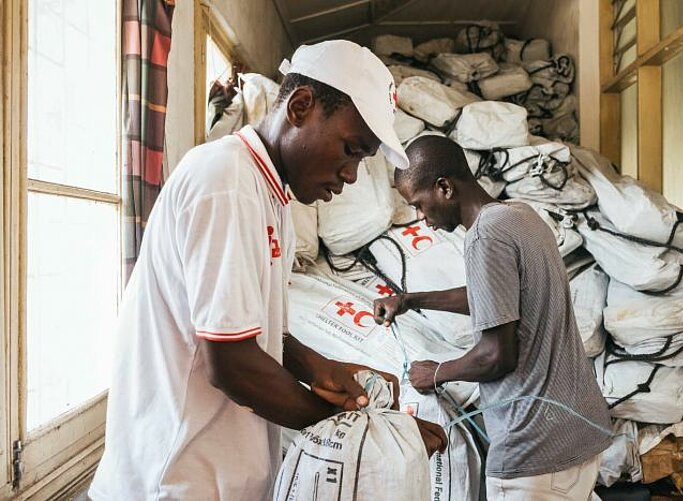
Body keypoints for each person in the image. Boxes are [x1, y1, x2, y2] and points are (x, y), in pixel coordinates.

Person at [89, 41, 447, 501]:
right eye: (351, 150)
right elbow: (233, 365)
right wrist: (371, 437)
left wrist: (323, 367)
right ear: (300, 107)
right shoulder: (225, 181)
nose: (352, 175)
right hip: (173, 482)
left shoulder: (271, 197)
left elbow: (254, 334)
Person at [373, 135, 612, 500]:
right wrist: (411, 300)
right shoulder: (519, 215)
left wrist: (436, 373)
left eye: (419, 205)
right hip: (578, 433)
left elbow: (497, 355)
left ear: (444, 188)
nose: (422, 220)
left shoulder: (485, 236)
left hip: (535, 452)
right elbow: (494, 297)